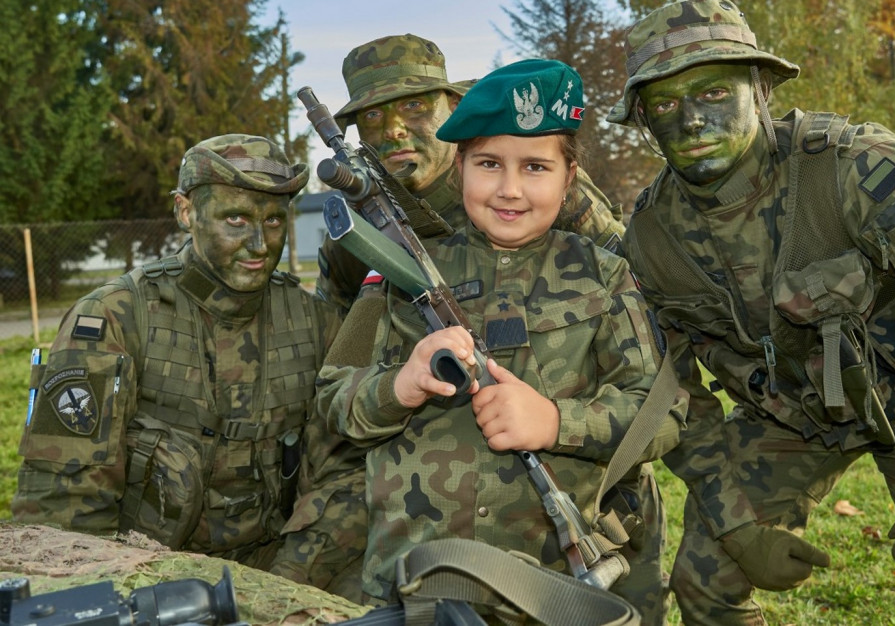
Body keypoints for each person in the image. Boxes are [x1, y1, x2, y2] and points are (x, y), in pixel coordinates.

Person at [608, 0, 895, 624]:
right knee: (704, 579)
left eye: (714, 92)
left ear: (761, 88)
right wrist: (740, 530)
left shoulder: (862, 173)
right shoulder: (651, 239)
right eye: (665, 105)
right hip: (789, 421)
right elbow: (675, 394)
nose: (691, 119)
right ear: (643, 120)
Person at [315, 59, 678, 623]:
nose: (510, 189)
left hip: (556, 589)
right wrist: (401, 384)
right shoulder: (398, 272)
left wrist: (557, 422)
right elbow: (334, 402)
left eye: (535, 166)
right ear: (459, 167)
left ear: (569, 175)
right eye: (488, 164)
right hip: (421, 582)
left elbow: (662, 414)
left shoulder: (604, 275)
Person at [11, 134, 355, 580]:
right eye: (235, 218)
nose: (258, 245)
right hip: (143, 572)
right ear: (185, 212)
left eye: (273, 221)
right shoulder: (114, 318)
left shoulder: (314, 323)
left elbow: (343, 477)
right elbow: (64, 506)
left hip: (280, 565)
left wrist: (288, 582)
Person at [316, 33, 626, 316]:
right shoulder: (359, 219)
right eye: (372, 115)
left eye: (413, 105)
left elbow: (627, 277)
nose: (394, 129)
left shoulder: (538, 183)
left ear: (452, 106)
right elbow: (336, 331)